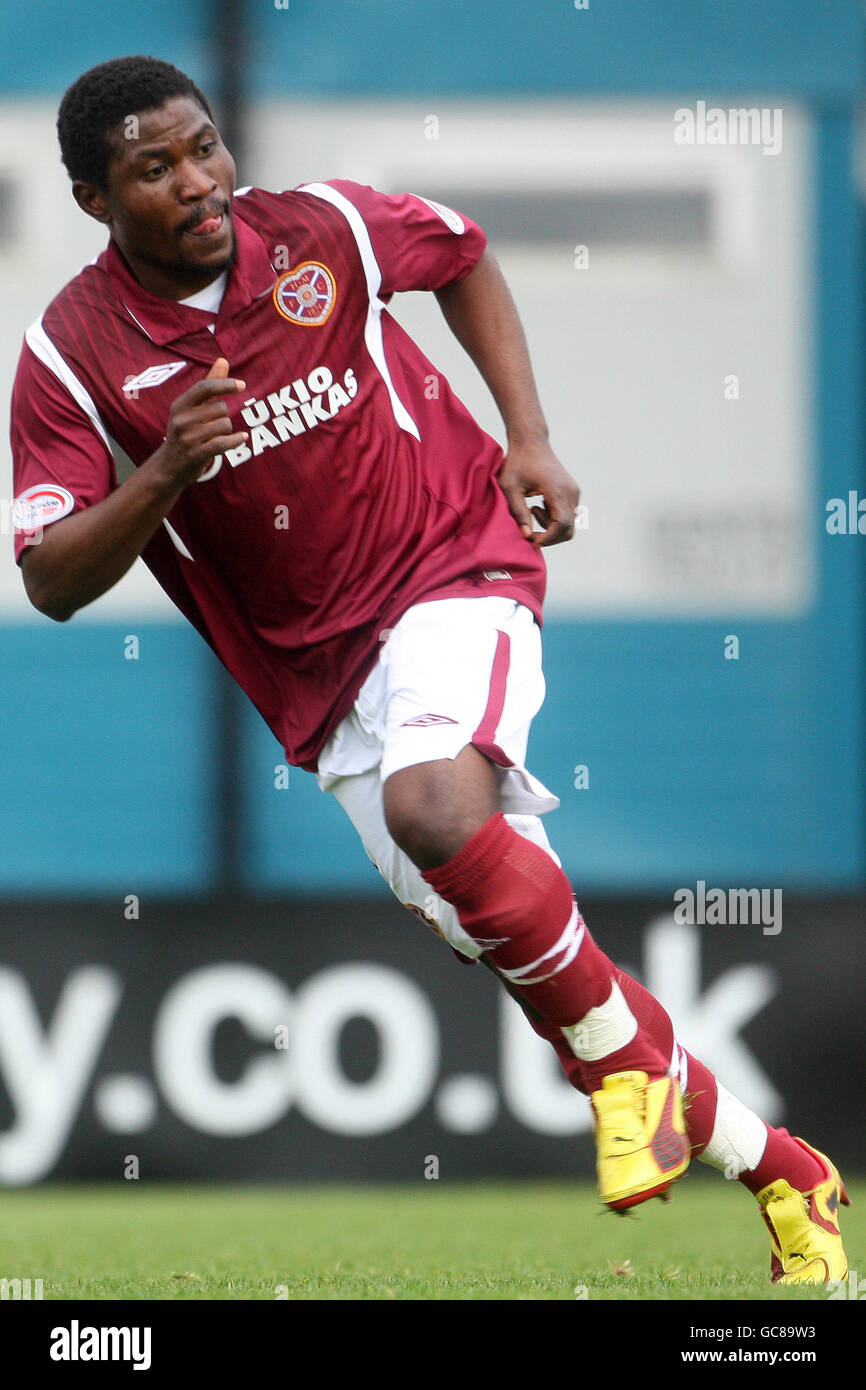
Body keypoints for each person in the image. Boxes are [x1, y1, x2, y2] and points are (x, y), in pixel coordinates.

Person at [11, 55, 847, 1284]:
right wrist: (164, 475)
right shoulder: (72, 356)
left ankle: (621, 1078)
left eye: (204, 147)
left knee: (436, 807)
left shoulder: (326, 230)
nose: (198, 183)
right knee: (539, 955)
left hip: (457, 563)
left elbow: (460, 252)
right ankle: (786, 1172)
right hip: (327, 686)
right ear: (95, 201)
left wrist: (529, 434)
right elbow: (51, 578)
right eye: (155, 169)